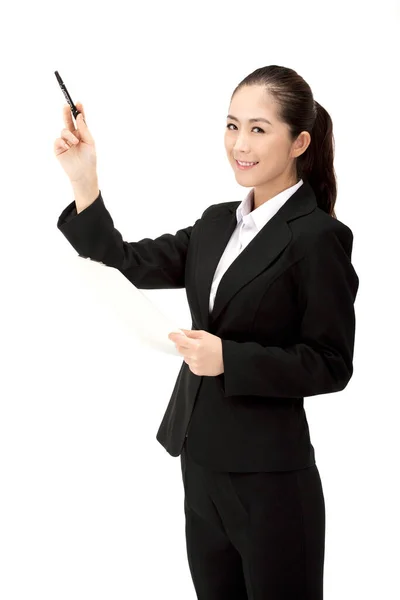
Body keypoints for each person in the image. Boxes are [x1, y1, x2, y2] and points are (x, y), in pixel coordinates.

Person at [54, 64, 359, 599]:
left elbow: (331, 362)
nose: (240, 144)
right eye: (232, 125)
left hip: (270, 480)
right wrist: (84, 178)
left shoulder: (317, 237)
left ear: (299, 142)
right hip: (199, 464)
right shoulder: (217, 223)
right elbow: (122, 261)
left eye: (259, 129)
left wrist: (230, 359)